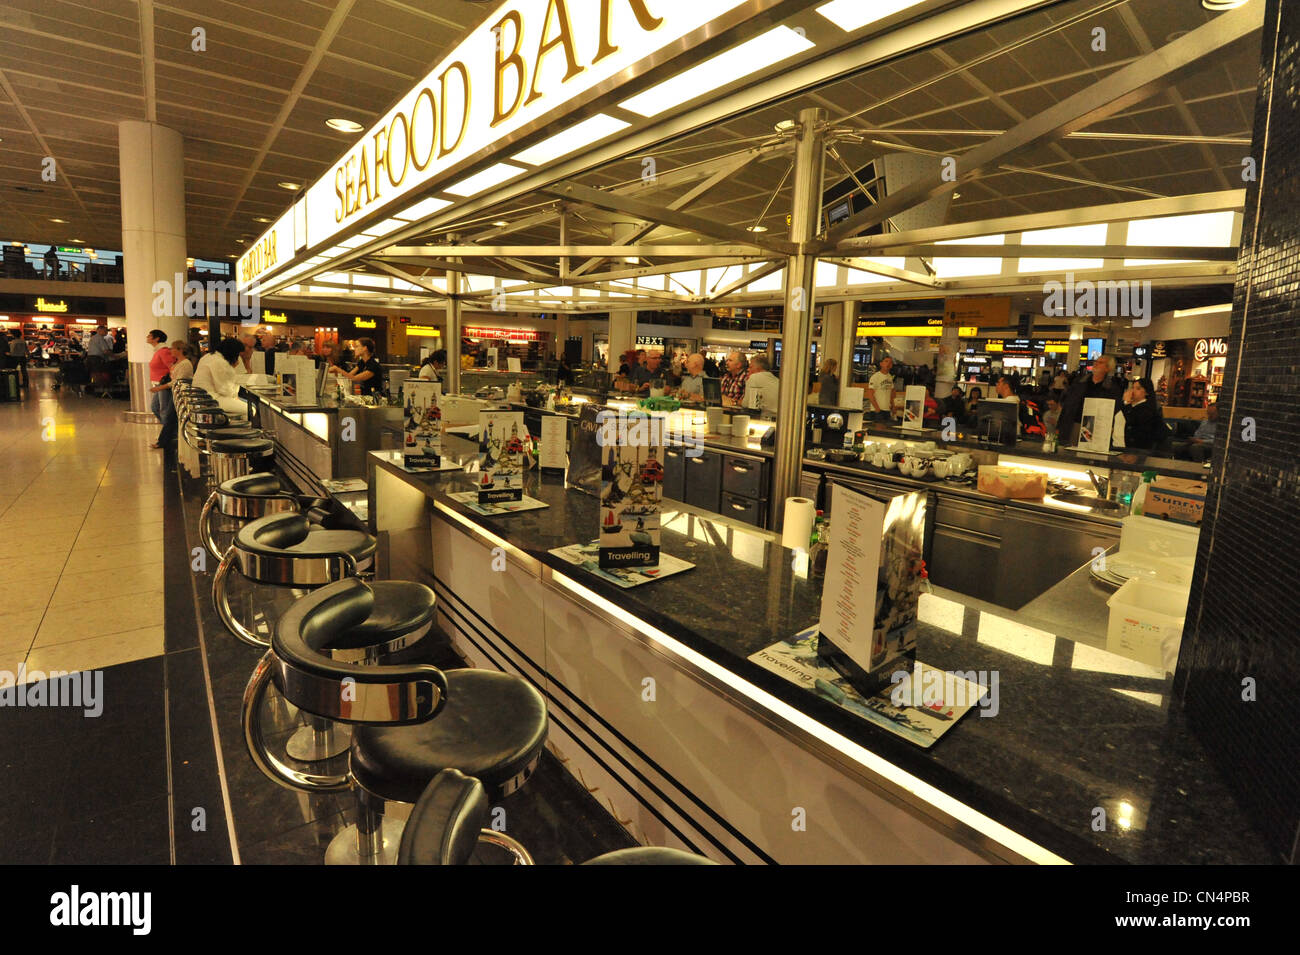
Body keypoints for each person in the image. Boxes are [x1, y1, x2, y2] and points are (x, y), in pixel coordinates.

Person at [1057, 354, 1124, 445]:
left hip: (1096, 427)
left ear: (1107, 368)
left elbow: (1114, 409)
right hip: (1075, 422)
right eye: (1096, 362)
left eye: (1100, 363)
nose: (1096, 364)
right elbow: (1067, 401)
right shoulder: (1080, 382)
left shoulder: (1112, 389)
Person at [151, 341, 195, 450]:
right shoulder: (178, 363)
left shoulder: (185, 364)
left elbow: (178, 381)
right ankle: (168, 438)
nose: (170, 350)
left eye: (173, 348)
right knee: (167, 414)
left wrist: (160, 387)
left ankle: (163, 441)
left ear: (180, 350)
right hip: (175, 391)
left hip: (180, 392)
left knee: (170, 416)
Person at [192, 337, 249, 420]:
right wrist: (232, 368)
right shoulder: (221, 363)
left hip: (200, 397)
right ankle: (237, 430)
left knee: (244, 404)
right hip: (211, 399)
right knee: (250, 409)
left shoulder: (208, 356)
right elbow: (226, 391)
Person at [1121, 378, 1167, 450]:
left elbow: (1132, 420)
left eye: (1138, 388)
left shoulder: (1147, 408)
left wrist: (1126, 402)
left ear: (1146, 392)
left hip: (1138, 448)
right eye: (1133, 388)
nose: (1133, 391)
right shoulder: (1130, 405)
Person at [145, 328, 176, 434]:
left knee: (163, 410)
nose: (147, 337)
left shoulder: (164, 351)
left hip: (163, 385)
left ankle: (168, 435)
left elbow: (172, 367)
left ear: (156, 338)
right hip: (158, 385)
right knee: (156, 408)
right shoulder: (158, 351)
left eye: (149, 336)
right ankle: (168, 432)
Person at [868, 355, 895, 420]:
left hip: (887, 410)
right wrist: (877, 409)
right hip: (877, 411)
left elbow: (891, 393)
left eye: (890, 362)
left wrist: (893, 406)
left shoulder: (890, 377)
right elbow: (870, 395)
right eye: (886, 361)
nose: (888, 364)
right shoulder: (875, 377)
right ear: (881, 364)